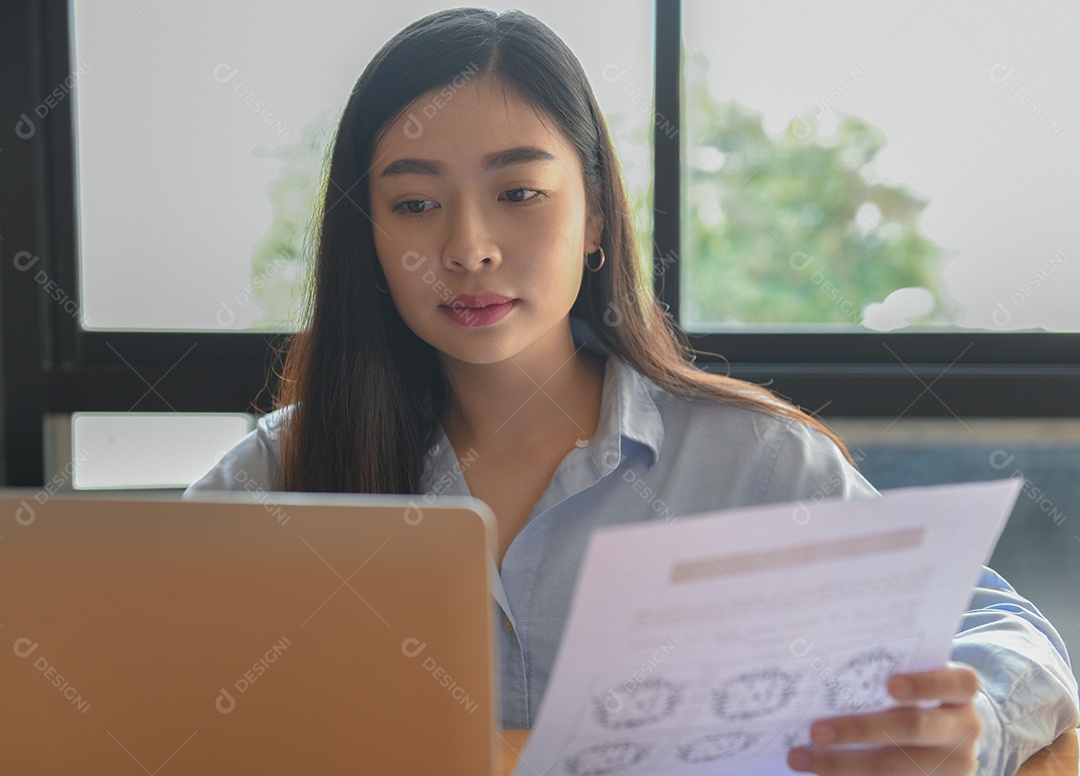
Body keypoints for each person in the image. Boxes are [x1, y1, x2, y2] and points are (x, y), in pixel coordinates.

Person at [185, 8, 1079, 774]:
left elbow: (1011, 638)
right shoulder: (274, 475)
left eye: (520, 192)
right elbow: (142, 680)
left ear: (598, 216)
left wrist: (974, 722)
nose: (468, 246)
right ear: (368, 238)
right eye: (415, 204)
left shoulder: (753, 465)